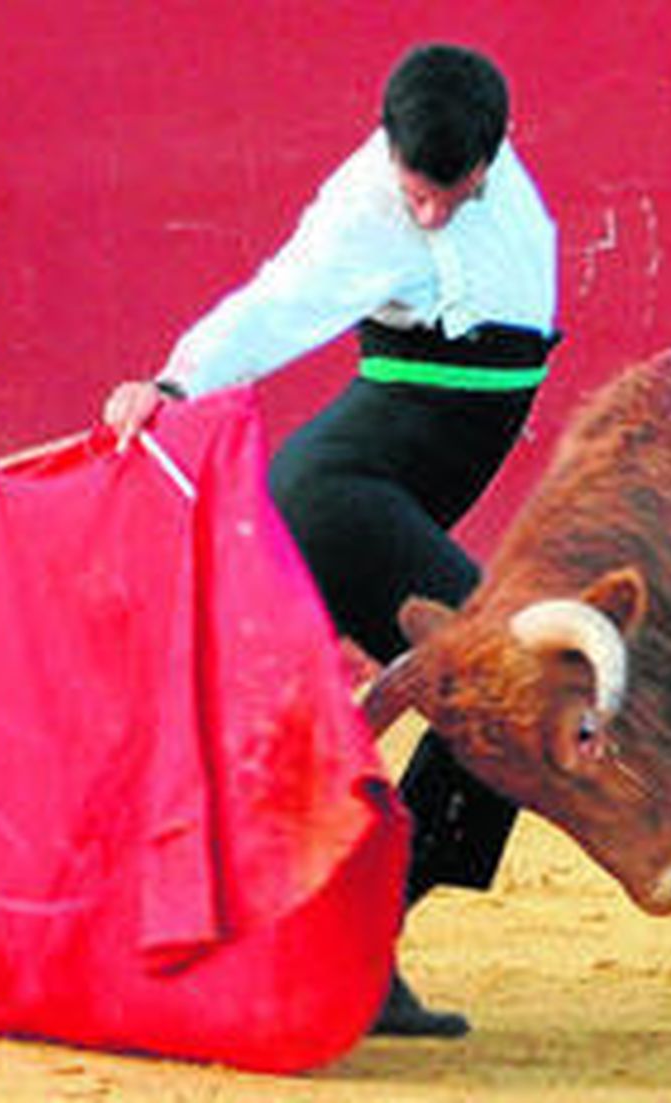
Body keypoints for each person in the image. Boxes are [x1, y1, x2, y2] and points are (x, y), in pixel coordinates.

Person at [101, 42, 558, 1038]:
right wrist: (176, 384)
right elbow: (280, 297)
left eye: (454, 191)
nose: (428, 209)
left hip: (374, 488)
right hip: (343, 493)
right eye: (416, 187)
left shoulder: (471, 142)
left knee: (498, 699)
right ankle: (347, 941)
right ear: (388, 148)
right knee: (509, 685)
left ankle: (350, 945)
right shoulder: (366, 204)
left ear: (495, 157)